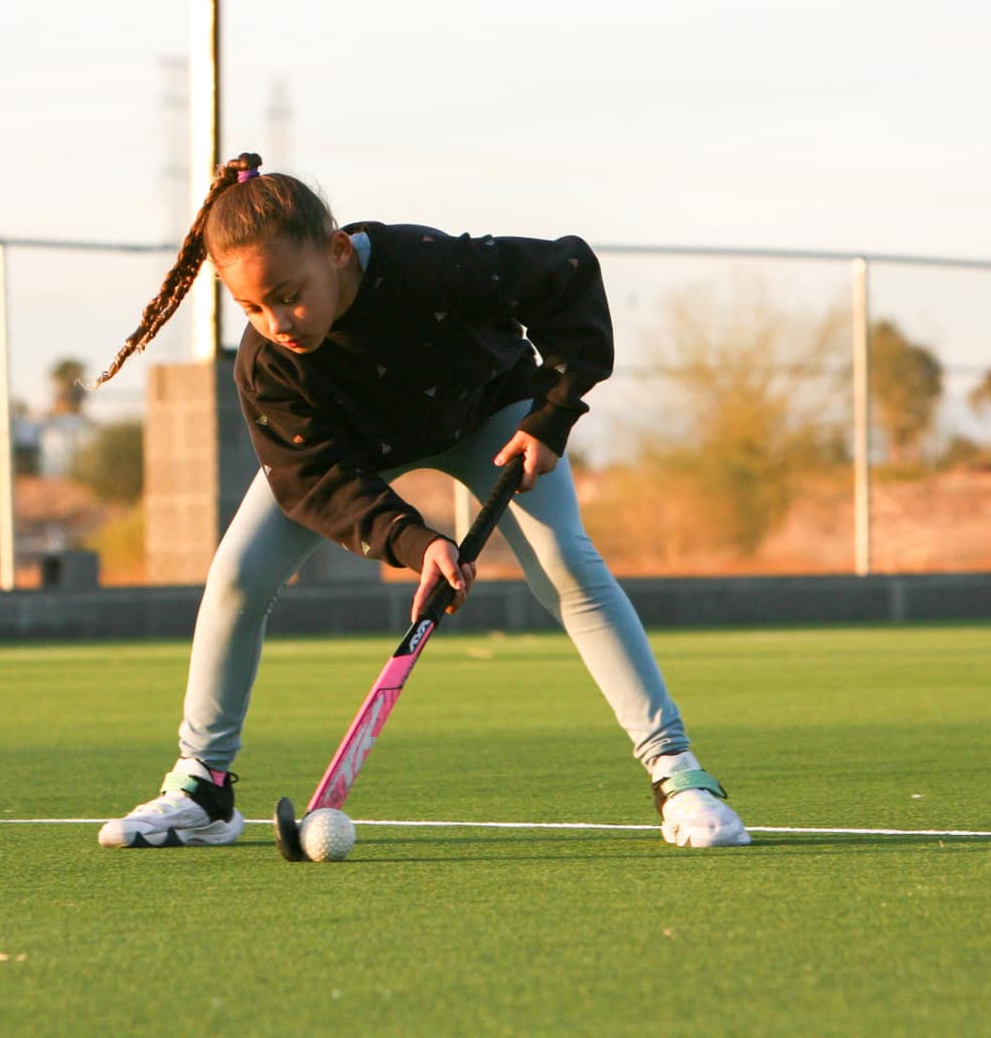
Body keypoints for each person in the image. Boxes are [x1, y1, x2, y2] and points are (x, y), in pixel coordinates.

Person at [88, 153, 749, 850]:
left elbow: (568, 273)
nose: (276, 319)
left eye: (287, 292)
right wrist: (413, 540)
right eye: (251, 306)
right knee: (236, 577)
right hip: (357, 448)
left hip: (489, 416)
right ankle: (203, 787)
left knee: (567, 563)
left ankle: (678, 773)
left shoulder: (431, 265)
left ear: (338, 251)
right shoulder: (269, 364)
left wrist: (551, 414)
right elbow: (312, 476)